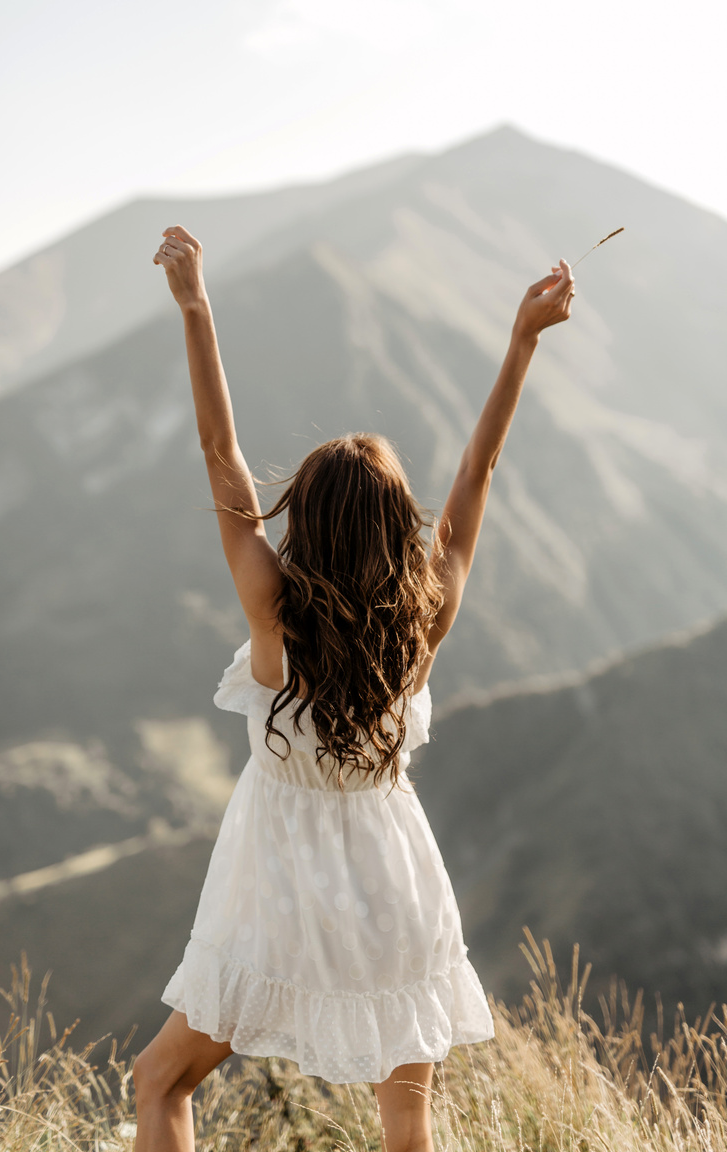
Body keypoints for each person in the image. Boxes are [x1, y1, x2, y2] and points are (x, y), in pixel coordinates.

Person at [133, 225, 575, 1152]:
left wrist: (196, 305)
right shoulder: (424, 619)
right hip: (393, 887)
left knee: (161, 1082)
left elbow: (220, 449)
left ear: (308, 523)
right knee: (405, 1118)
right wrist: (522, 342)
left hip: (274, 893)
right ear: (394, 528)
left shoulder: (271, 610)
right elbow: (476, 474)